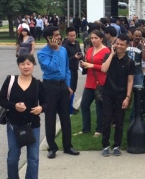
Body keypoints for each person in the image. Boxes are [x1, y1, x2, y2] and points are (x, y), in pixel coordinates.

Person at [0, 54, 45, 179]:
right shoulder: (10, 81)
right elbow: (0, 99)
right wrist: (14, 106)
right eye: (23, 64)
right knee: (13, 156)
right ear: (19, 65)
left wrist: (41, 108)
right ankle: (11, 178)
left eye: (29, 63)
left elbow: (46, 102)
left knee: (33, 157)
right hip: (14, 126)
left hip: (32, 126)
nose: (26, 66)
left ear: (33, 65)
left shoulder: (38, 84)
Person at [37, 27, 79, 159]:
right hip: (49, 87)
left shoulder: (64, 50)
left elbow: (66, 68)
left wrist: (68, 85)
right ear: (49, 38)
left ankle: (68, 146)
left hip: (63, 86)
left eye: (59, 35)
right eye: (56, 35)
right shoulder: (42, 53)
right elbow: (51, 67)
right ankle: (52, 147)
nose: (59, 37)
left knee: (65, 117)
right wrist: (55, 51)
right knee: (50, 118)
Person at [99, 35, 135, 157]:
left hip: (122, 94)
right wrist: (111, 54)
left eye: (122, 45)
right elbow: (103, 69)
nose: (119, 46)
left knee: (119, 121)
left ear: (126, 46)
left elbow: (130, 80)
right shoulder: (109, 57)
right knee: (106, 119)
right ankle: (105, 145)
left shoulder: (130, 62)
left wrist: (128, 97)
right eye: (117, 44)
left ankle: (116, 145)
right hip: (108, 92)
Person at [78, 30, 109, 137]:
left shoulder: (106, 51)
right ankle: (86, 128)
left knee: (99, 106)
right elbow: (87, 63)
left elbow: (106, 68)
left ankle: (99, 129)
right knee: (84, 105)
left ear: (101, 39)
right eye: (92, 38)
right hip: (90, 81)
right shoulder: (90, 50)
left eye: (96, 38)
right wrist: (83, 64)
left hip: (101, 82)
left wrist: (92, 66)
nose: (93, 40)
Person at [61, 27, 83, 115]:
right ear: (67, 36)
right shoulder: (64, 46)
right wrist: (74, 58)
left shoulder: (77, 43)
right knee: (69, 88)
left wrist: (81, 59)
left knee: (74, 88)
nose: (73, 37)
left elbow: (80, 53)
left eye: (74, 35)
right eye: (71, 36)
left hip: (75, 68)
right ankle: (67, 107)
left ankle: (70, 105)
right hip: (68, 69)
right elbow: (64, 60)